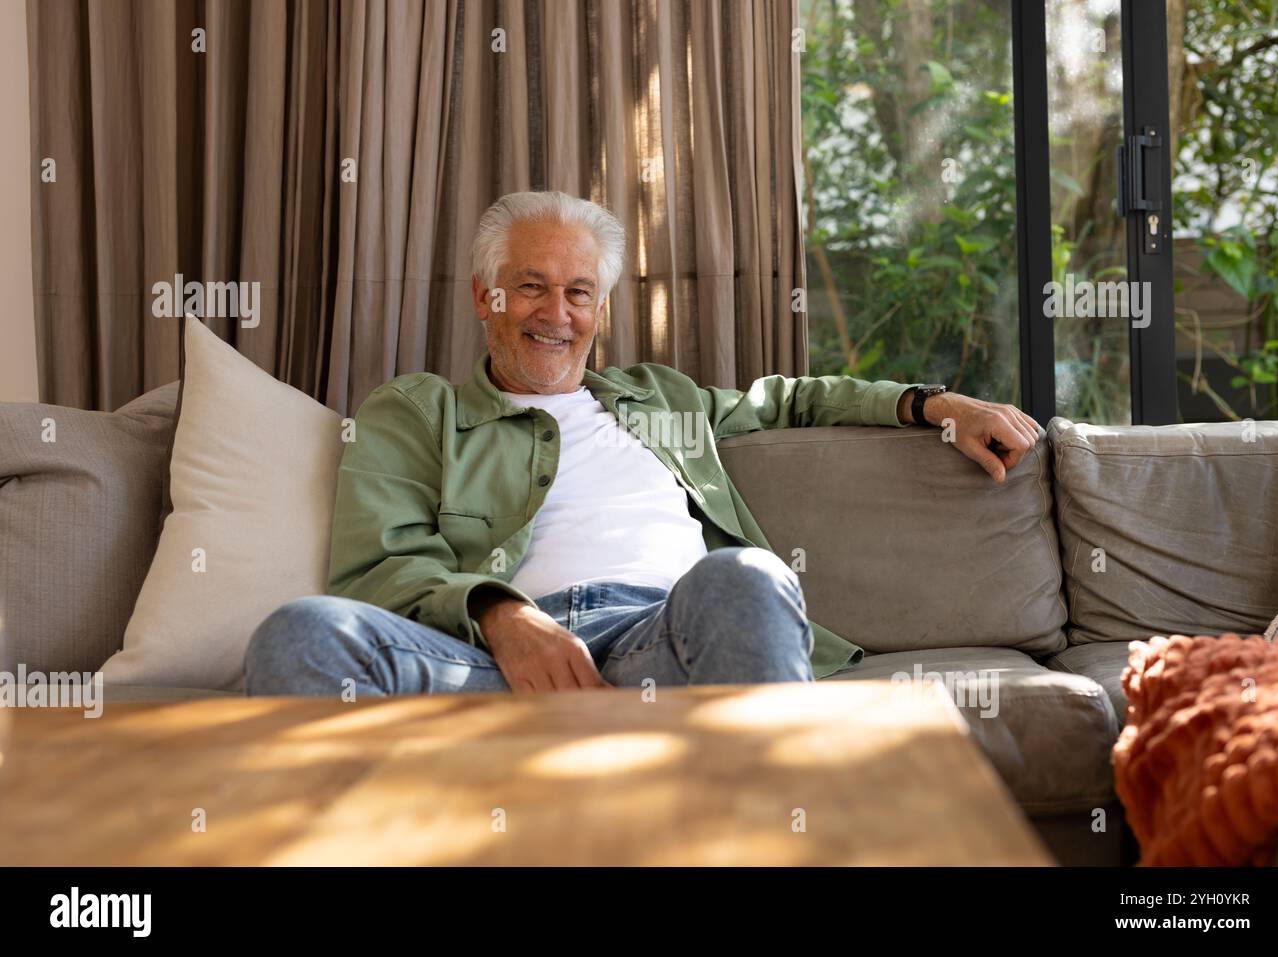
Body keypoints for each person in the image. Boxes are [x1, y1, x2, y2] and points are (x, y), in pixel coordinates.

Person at [245, 190, 1039, 696]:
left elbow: (793, 398)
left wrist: (938, 404)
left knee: (749, 577)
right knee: (300, 634)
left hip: (664, 646)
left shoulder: (661, 399)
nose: (556, 311)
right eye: (530, 285)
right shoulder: (418, 412)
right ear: (485, 297)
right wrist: (502, 616)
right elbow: (376, 567)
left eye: (578, 291)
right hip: (485, 664)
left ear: (602, 310)